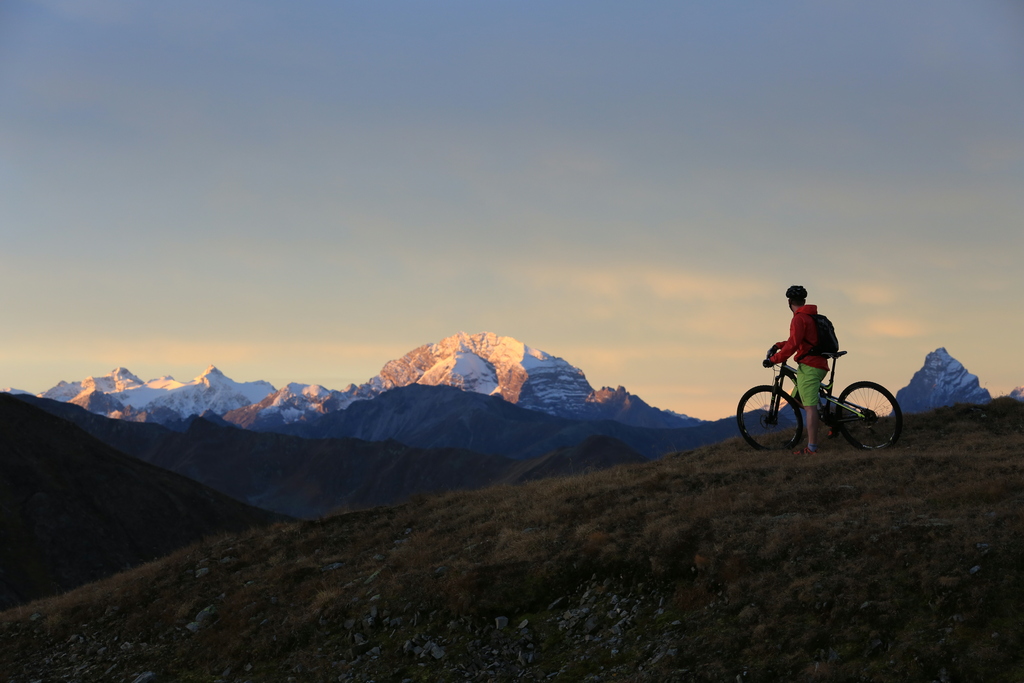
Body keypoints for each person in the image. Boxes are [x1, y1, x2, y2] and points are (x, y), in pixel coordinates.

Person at [763, 285, 829, 454]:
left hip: (810, 366)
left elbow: (793, 346)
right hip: (818, 364)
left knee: (810, 407)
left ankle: (812, 448)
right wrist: (778, 345)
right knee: (797, 399)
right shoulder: (811, 317)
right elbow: (798, 341)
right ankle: (830, 421)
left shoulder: (799, 319)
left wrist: (773, 359)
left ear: (789, 302)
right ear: (804, 301)